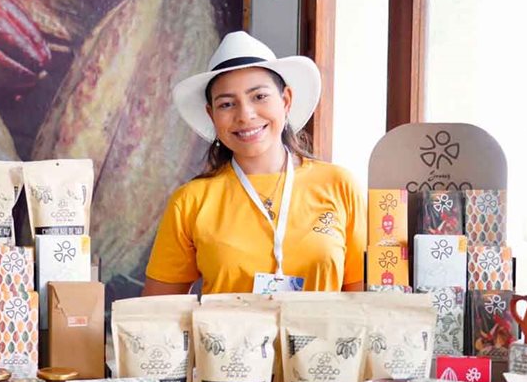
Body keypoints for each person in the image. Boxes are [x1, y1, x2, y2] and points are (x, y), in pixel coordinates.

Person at [142, 31, 366, 296]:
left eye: (259, 97)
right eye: (227, 104)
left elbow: (361, 301)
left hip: (324, 339)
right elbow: (156, 313)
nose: (245, 115)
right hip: (226, 338)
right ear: (212, 115)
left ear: (285, 101)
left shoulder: (339, 185)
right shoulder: (190, 201)